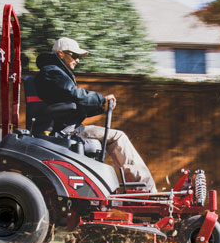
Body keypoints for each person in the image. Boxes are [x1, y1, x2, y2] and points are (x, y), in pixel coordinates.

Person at [34, 37, 156, 193]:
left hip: (68, 126)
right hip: (65, 130)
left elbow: (72, 104)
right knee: (118, 137)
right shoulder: (51, 72)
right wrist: (101, 99)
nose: (77, 60)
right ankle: (147, 190)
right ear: (61, 53)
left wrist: (101, 106)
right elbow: (73, 95)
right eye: (74, 55)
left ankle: (140, 189)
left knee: (116, 137)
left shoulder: (55, 72)